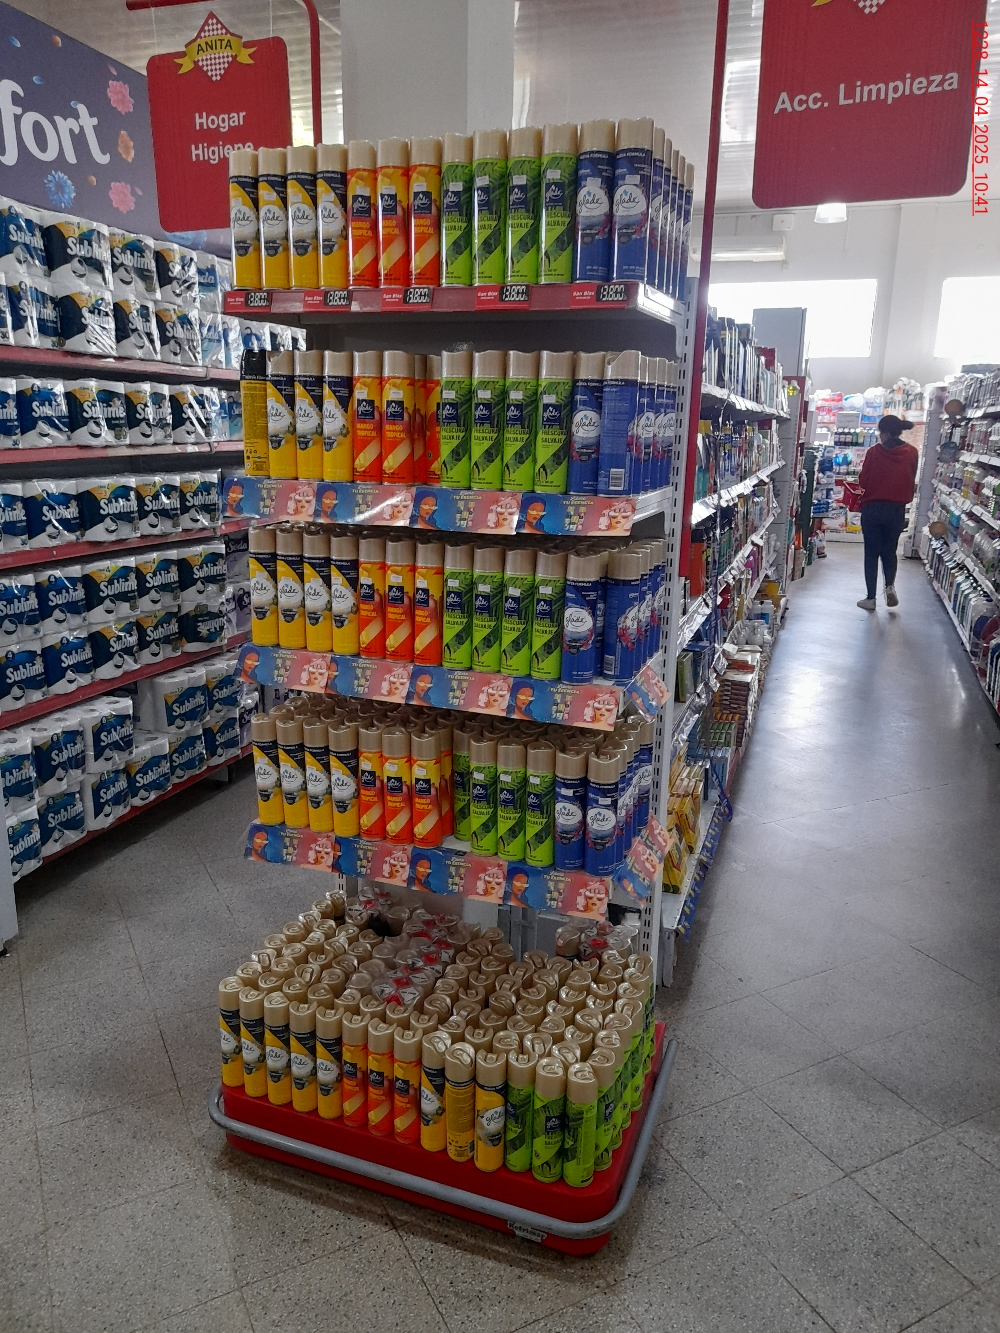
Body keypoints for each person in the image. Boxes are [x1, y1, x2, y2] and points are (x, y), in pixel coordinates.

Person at [855, 414, 919, 610]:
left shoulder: (874, 452)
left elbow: (863, 481)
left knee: (871, 553)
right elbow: (911, 477)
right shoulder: (911, 452)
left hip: (873, 509)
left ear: (885, 433)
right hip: (896, 511)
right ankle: (890, 586)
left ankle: (871, 598)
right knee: (889, 551)